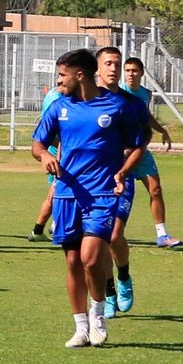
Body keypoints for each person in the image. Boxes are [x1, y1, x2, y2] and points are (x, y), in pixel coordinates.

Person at [31, 48, 144, 348]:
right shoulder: (58, 107)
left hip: (102, 194)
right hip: (67, 193)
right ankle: (81, 327)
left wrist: (123, 172)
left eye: (62, 75)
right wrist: (44, 156)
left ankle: (98, 316)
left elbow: (138, 146)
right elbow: (37, 144)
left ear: (80, 75)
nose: (59, 81)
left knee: (91, 259)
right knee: (72, 263)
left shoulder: (117, 106)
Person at [96, 47, 150, 318]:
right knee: (99, 239)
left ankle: (124, 276)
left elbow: (142, 142)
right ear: (97, 68)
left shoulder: (132, 104)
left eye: (117, 64)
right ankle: (108, 293)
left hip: (121, 178)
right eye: (108, 63)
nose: (113, 68)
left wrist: (126, 165)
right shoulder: (85, 101)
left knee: (114, 235)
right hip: (93, 180)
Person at [120, 56, 181, 247]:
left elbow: (146, 117)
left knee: (155, 189)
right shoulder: (117, 92)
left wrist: (162, 130)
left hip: (141, 151)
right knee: (120, 194)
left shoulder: (146, 94)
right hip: (122, 153)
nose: (131, 74)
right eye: (127, 70)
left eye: (134, 71)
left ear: (142, 73)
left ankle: (162, 235)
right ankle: (114, 234)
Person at [27, 88, 61, 242]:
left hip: (59, 152)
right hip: (57, 153)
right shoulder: (56, 99)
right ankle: (54, 225)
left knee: (55, 192)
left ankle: (40, 229)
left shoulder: (54, 94)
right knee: (57, 191)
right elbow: (49, 134)